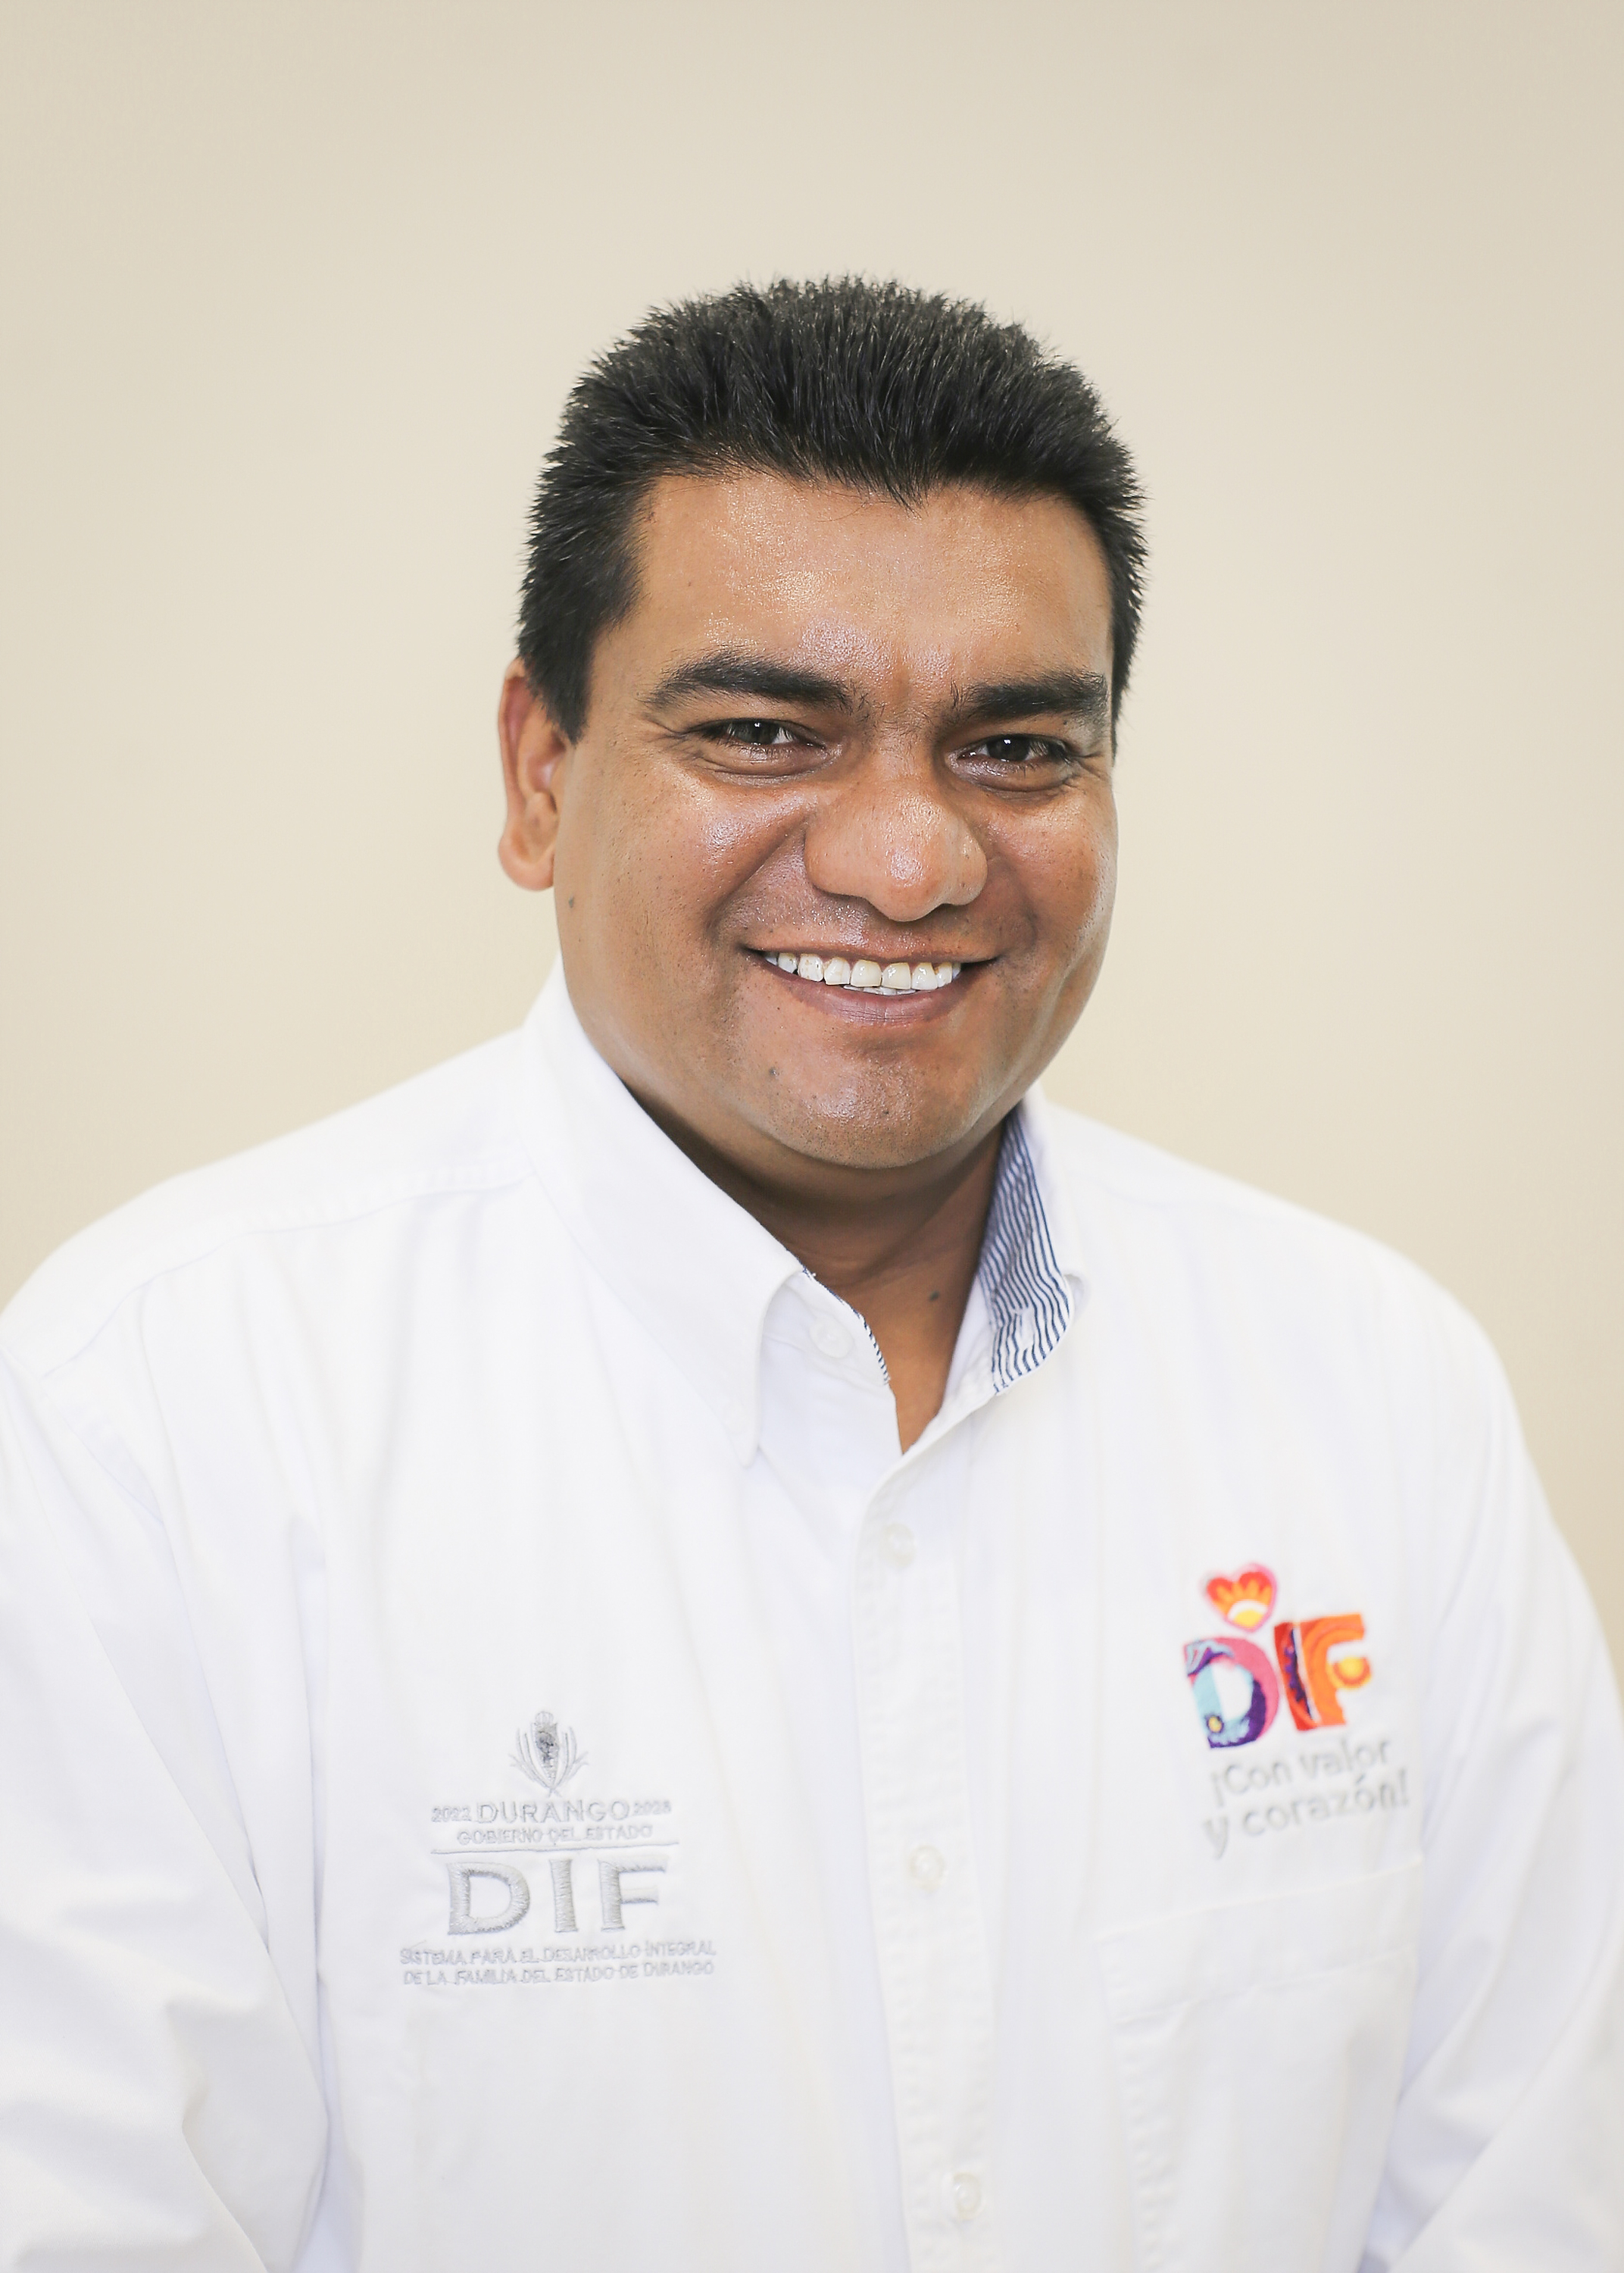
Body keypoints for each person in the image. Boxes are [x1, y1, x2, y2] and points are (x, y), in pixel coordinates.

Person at [0, 279, 1619, 2273]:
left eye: (1015, 748)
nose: (907, 860)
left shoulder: (1374, 1393)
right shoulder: (159, 1419)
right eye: (766, 733)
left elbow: (1535, 2205)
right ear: (538, 771)